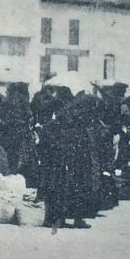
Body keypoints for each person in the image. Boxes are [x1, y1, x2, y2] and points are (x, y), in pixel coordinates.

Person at [38, 86, 106, 229]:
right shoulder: (79, 116)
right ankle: (75, 219)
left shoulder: (67, 115)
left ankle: (59, 219)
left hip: (66, 156)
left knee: (61, 186)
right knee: (77, 187)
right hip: (76, 157)